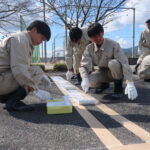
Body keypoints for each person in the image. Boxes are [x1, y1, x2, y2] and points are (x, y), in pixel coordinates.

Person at [0, 20, 51, 111]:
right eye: (42, 38)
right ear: (34, 30)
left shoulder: (22, 39)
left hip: (2, 78)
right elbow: (19, 69)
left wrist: (42, 78)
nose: (41, 42)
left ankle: (9, 99)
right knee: (37, 71)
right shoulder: (21, 41)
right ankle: (13, 102)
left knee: (33, 72)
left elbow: (23, 65)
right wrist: (35, 89)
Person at [79, 22, 138, 100]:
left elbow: (124, 62)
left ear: (102, 33)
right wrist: (85, 78)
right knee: (89, 81)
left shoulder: (113, 45)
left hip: (116, 73)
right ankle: (104, 85)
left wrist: (130, 82)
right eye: (94, 37)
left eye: (99, 35)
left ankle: (118, 88)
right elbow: (84, 64)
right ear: (90, 38)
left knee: (113, 63)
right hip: (102, 73)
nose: (97, 39)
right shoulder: (89, 48)